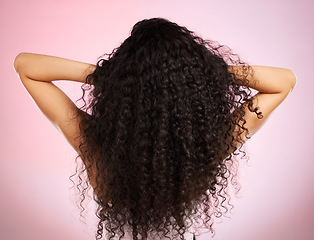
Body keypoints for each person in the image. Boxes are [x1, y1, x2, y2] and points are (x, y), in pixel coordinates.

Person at [13, 18, 296, 240]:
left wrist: (109, 75)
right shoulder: (211, 147)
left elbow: (25, 65)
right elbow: (284, 81)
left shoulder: (95, 144)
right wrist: (200, 72)